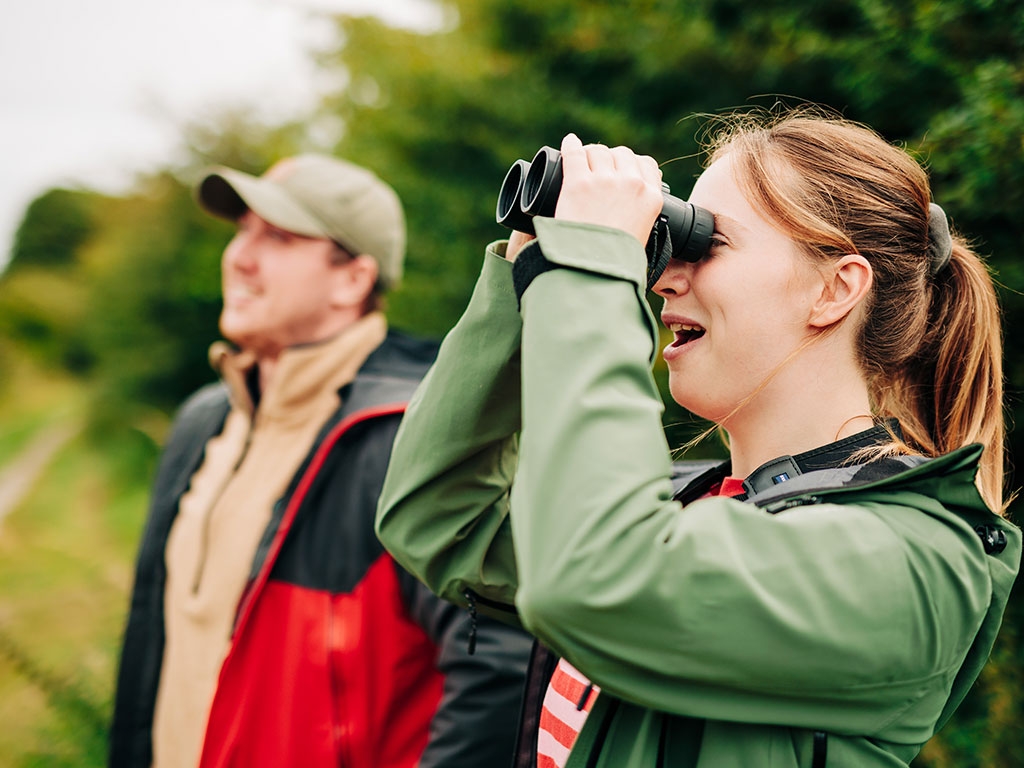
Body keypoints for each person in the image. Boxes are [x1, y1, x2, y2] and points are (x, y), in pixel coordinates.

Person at [375, 110, 1022, 767]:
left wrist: (591, 267)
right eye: (670, 243)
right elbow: (439, 515)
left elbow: (599, 576)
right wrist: (530, 272)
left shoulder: (912, 562)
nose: (663, 279)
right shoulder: (689, 510)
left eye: (706, 244)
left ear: (835, 289)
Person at [108, 154, 533, 768]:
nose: (240, 257)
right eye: (243, 231)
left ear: (352, 280)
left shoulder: (405, 436)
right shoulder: (206, 419)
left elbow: (500, 660)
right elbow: (153, 637)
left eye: (277, 237)